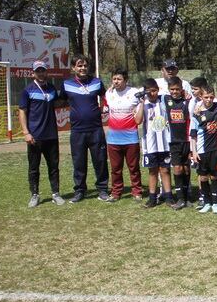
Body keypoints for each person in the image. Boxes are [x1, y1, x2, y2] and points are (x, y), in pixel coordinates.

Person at [59, 54, 109, 203]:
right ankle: (80, 191)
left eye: (85, 65)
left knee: (100, 160)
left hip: (96, 129)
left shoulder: (97, 82)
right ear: (73, 68)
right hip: (77, 131)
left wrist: (103, 108)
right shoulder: (66, 84)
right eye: (79, 66)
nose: (83, 68)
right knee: (79, 162)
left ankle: (103, 190)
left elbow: (106, 97)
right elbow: (60, 101)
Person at [20, 60, 64, 207]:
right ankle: (34, 195)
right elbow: (22, 112)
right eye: (38, 71)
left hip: (51, 135)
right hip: (35, 136)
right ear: (33, 72)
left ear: (47, 72)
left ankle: (56, 194)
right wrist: (26, 132)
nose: (40, 73)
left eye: (43, 70)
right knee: (34, 168)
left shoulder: (51, 88)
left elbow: (59, 103)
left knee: (54, 166)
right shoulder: (28, 90)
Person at [105, 68, 142, 202]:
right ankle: (116, 192)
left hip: (131, 137)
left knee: (133, 167)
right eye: (114, 79)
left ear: (126, 80)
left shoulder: (134, 93)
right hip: (113, 139)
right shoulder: (109, 93)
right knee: (115, 169)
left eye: (119, 79)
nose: (116, 81)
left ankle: (137, 191)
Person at [134, 78, 172, 209]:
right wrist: (141, 103)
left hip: (165, 143)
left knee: (165, 170)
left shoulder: (163, 101)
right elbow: (138, 121)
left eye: (154, 91)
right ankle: (152, 198)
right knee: (152, 171)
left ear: (158, 90)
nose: (152, 94)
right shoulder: (143, 104)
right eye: (149, 92)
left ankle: (168, 196)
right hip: (150, 145)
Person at [190, 84, 217, 213]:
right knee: (203, 177)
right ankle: (207, 202)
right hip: (201, 151)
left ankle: (216, 202)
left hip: (215, 150)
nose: (209, 100)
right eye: (206, 97)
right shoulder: (197, 113)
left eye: (211, 97)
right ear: (201, 97)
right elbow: (193, 135)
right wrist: (193, 152)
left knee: (215, 176)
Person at [164, 76, 193, 209]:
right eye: (172, 89)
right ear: (168, 89)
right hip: (174, 141)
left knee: (186, 169)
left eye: (177, 89)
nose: (174, 91)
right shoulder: (165, 99)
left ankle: (187, 197)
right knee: (177, 168)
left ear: (182, 89)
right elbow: (149, 92)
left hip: (187, 140)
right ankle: (180, 198)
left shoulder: (187, 101)